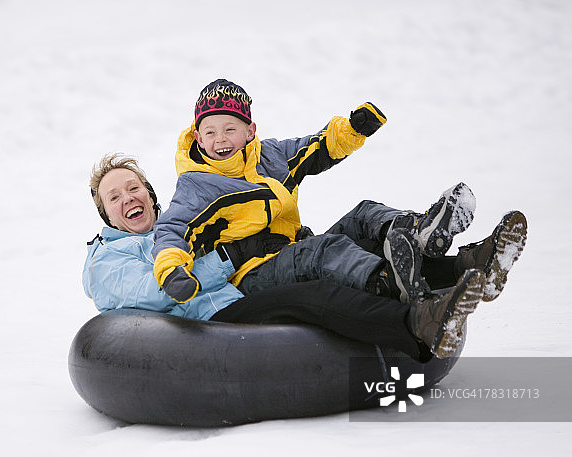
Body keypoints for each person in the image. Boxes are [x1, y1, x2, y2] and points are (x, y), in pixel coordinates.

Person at [83, 153, 507, 361]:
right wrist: (232, 256)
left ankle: (464, 267)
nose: (128, 199)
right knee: (317, 290)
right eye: (115, 196)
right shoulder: (107, 261)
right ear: (106, 213)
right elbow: (159, 293)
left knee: (357, 224)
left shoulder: (181, 224)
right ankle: (417, 325)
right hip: (219, 311)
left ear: (150, 194)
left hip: (247, 276)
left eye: (133, 188)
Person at [150, 79, 527, 310]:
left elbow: (316, 148)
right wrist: (171, 270)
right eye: (211, 131)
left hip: (289, 250)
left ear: (249, 131)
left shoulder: (270, 155)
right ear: (197, 136)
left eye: (229, 129)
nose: (220, 140)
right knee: (326, 250)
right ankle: (391, 283)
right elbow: (172, 229)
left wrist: (352, 129)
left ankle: (422, 234)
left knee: (364, 212)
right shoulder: (196, 185)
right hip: (252, 275)